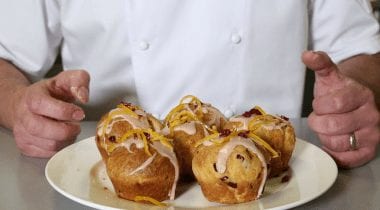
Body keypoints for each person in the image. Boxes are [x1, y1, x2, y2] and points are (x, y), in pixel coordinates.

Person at [0, 1, 379, 168]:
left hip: (274, 184)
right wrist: (18, 103)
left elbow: (363, 48)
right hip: (104, 184)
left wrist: (355, 95)